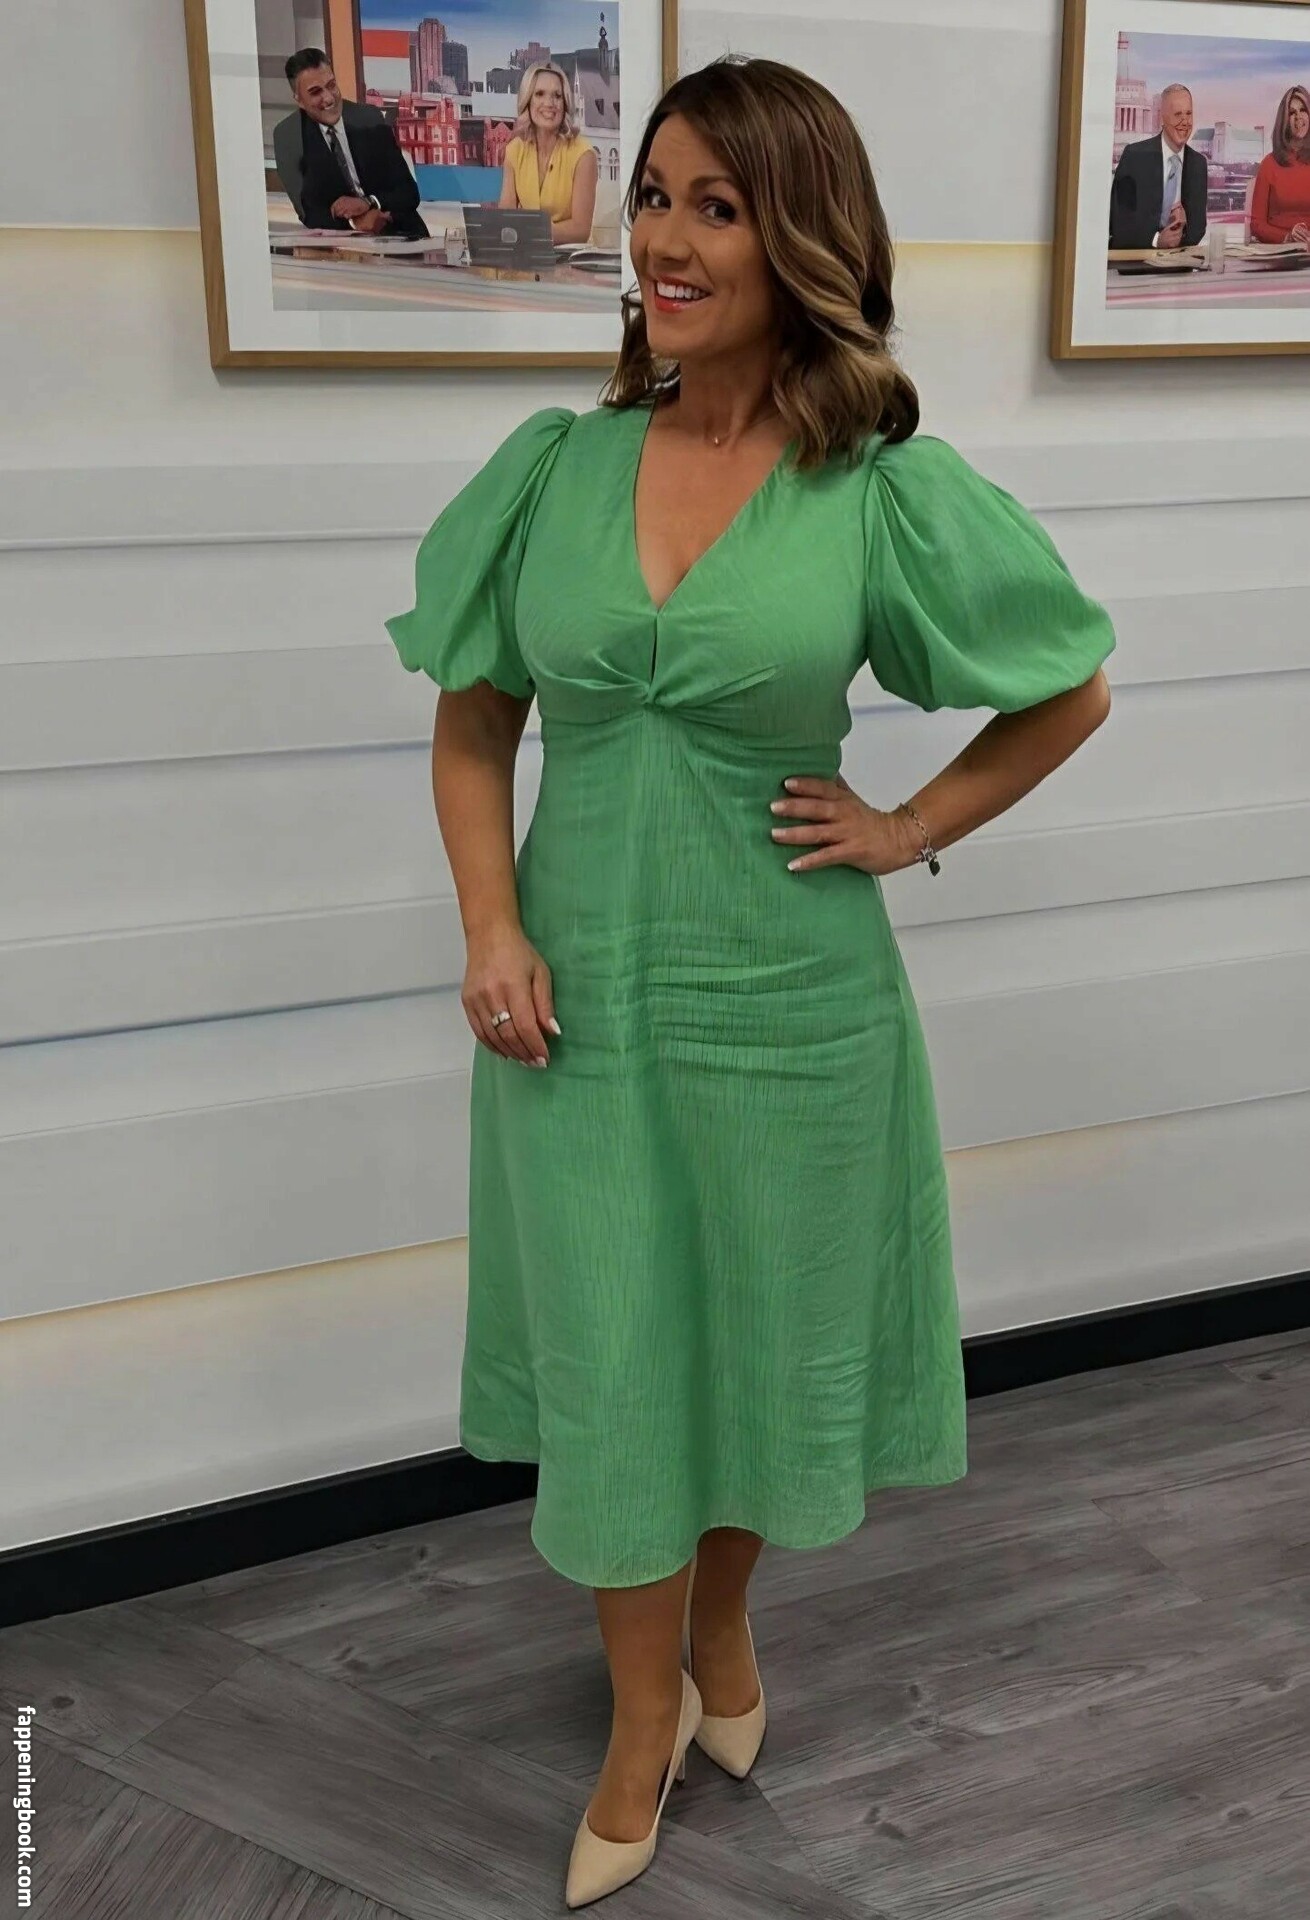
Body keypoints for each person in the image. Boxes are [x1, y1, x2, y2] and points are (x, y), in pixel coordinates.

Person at [386, 54, 1114, 1912]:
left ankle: (720, 1629)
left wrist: (908, 823)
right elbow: (473, 723)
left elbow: (1069, 687)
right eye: (653, 195)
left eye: (716, 206)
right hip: (574, 1011)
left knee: (754, 1345)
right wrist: (488, 923)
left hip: (792, 1006)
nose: (666, 238)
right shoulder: (555, 469)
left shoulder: (877, 490)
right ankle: (642, 1720)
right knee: (621, 1355)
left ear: (802, 241)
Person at [275, 47, 429, 240]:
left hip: (403, 234)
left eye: (331, 85)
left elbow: (408, 192)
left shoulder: (369, 118)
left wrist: (369, 202)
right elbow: (309, 212)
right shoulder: (289, 136)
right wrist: (355, 223)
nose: (328, 98)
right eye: (315, 92)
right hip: (341, 245)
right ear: (299, 100)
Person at [498, 61, 598, 245]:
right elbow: (505, 219)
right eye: (540, 94)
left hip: (569, 257)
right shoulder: (515, 150)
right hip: (526, 256)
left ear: (565, 103)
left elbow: (580, 230)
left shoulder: (583, 155)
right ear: (527, 100)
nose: (549, 103)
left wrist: (528, 230)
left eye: (557, 96)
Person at [1109, 83, 1208, 250]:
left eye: (1188, 114)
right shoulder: (1135, 157)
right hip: (1137, 260)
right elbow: (1118, 224)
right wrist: (1156, 241)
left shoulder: (1198, 163)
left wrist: (1183, 228)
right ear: (1162, 118)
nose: (1185, 121)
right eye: (1178, 114)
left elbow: (1198, 229)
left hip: (1179, 261)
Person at [1249, 85, 1310, 249]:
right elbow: (1257, 224)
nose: (1298, 117)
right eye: (1292, 112)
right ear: (1284, 120)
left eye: (1303, 110)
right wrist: (1288, 237)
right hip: (1279, 250)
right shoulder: (1269, 164)